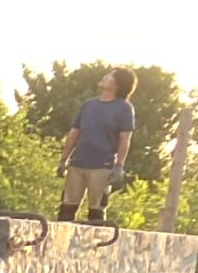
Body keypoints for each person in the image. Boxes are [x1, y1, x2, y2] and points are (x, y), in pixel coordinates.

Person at [58, 68, 139, 225]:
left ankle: (96, 244)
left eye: (109, 76)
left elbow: (125, 139)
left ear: (117, 84)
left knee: (96, 210)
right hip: (78, 163)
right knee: (67, 207)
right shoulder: (88, 104)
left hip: (102, 165)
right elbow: (74, 133)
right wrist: (64, 159)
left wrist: (119, 166)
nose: (104, 77)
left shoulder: (124, 108)